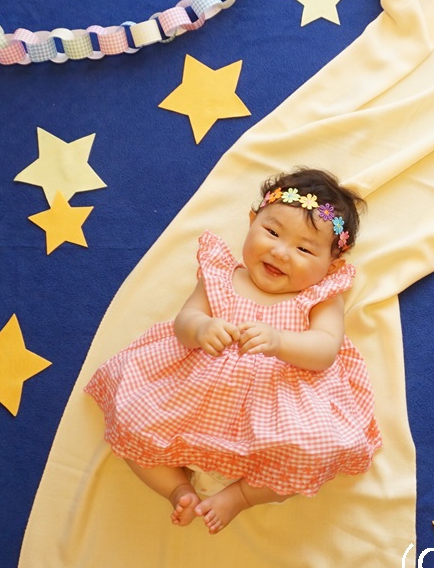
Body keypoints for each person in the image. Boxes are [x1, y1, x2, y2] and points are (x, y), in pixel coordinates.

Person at [85, 168, 381, 534]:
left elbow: (325, 349)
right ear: (252, 220)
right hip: (194, 390)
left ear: (331, 265)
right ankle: (177, 489)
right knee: (133, 416)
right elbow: (185, 321)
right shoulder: (221, 275)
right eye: (272, 232)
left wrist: (281, 342)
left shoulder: (319, 297)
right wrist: (201, 328)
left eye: (304, 249)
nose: (280, 252)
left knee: (314, 450)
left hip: (280, 402)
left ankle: (240, 496)